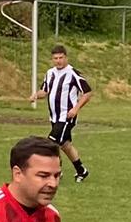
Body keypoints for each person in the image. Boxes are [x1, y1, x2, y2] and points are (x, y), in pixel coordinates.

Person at [30, 45, 94, 182]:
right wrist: (36, 95)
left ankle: (55, 171)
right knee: (65, 145)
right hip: (54, 117)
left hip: (66, 117)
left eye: (61, 58)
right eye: (55, 58)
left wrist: (76, 109)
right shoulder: (50, 73)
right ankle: (81, 170)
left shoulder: (73, 73)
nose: (58, 61)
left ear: (66, 58)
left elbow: (88, 93)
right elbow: (44, 91)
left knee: (50, 143)